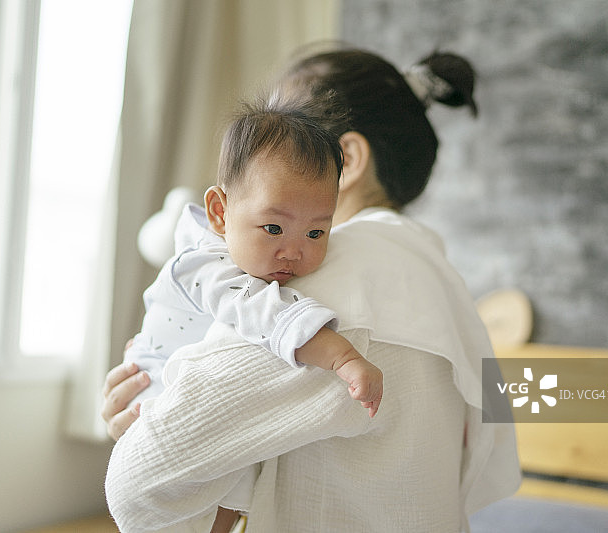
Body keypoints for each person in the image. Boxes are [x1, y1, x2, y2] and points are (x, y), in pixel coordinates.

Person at [103, 46, 521, 532]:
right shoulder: (435, 278)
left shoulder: (340, 277)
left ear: (346, 158)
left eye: (292, 128)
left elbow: (141, 482)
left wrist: (142, 429)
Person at [120, 94, 384, 531]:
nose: (295, 250)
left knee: (241, 468)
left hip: (171, 384)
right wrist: (343, 357)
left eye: (317, 231)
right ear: (220, 213)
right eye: (274, 228)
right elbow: (261, 311)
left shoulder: (260, 253)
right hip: (153, 384)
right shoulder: (204, 263)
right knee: (201, 481)